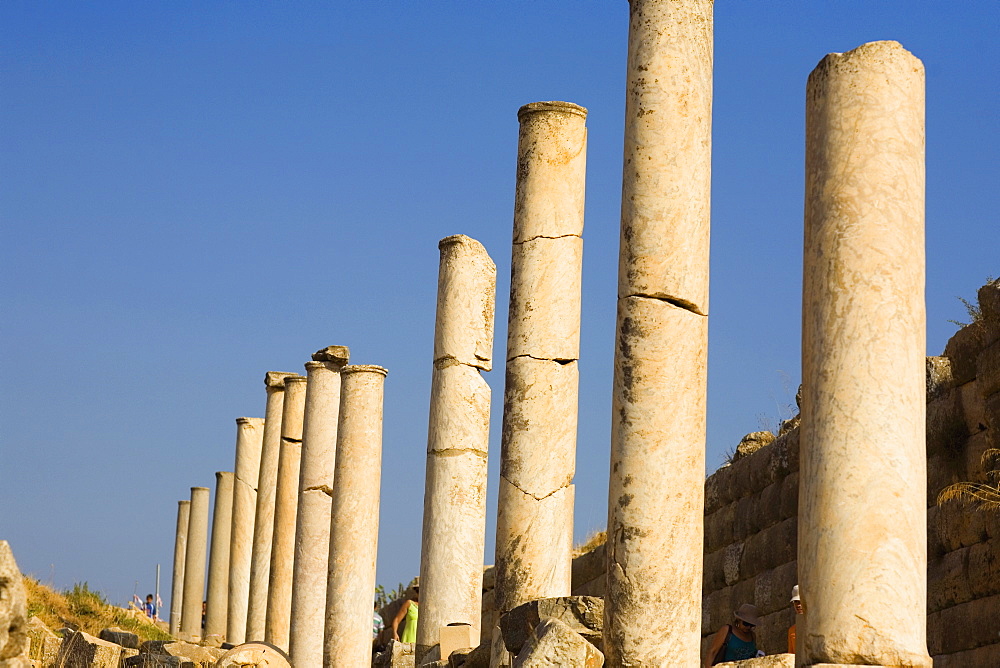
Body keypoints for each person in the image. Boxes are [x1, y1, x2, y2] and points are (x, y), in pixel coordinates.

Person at [787, 585, 803, 653]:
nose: (798, 605)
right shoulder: (792, 630)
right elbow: (791, 654)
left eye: (800, 601)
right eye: (796, 602)